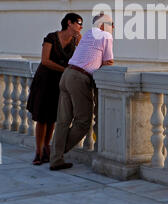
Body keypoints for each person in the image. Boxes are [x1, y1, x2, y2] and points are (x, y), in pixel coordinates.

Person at [49, 13, 114, 171]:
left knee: (63, 121)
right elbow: (109, 62)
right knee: (83, 122)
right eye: (112, 24)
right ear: (103, 25)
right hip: (79, 78)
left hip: (67, 75)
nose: (113, 28)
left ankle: (55, 158)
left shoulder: (88, 34)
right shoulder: (105, 35)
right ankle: (56, 153)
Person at [27, 13, 83, 165]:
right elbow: (45, 60)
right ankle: (38, 152)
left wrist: (80, 43)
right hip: (44, 81)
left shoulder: (74, 41)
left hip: (59, 83)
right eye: (78, 22)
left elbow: (79, 60)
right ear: (69, 23)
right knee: (41, 118)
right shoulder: (51, 37)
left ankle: (47, 148)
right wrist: (64, 69)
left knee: (52, 117)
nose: (81, 26)